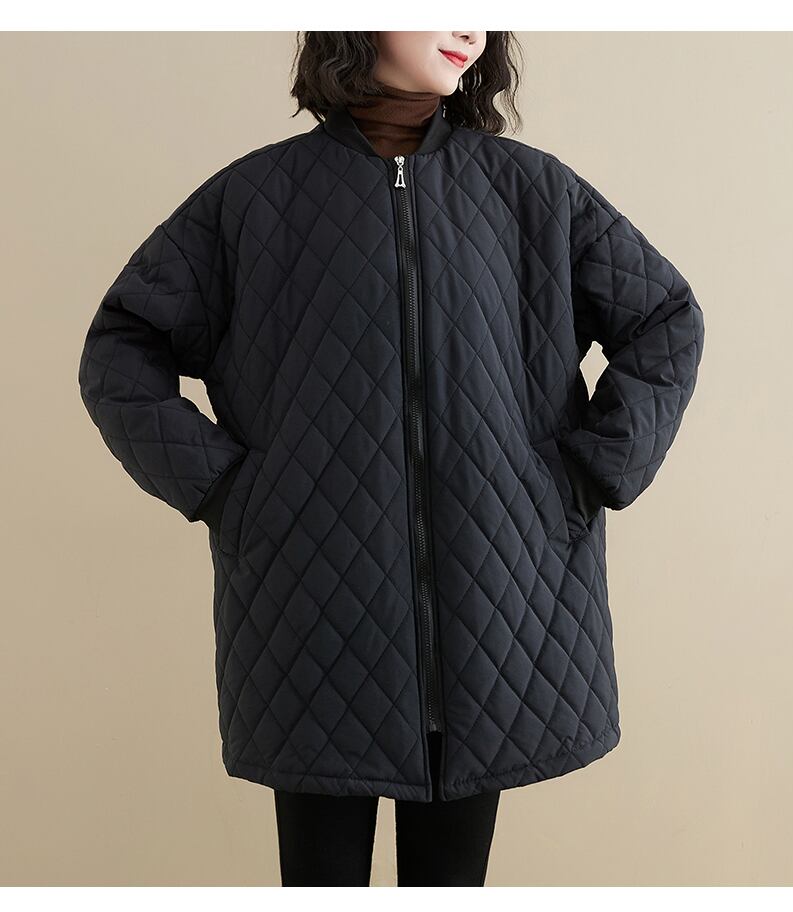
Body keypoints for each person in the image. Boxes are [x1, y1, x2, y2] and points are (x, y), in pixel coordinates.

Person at [77, 31, 705, 887]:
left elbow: (665, 319)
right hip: (309, 610)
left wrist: (588, 474)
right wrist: (224, 488)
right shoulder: (254, 199)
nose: (468, 27)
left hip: (496, 606)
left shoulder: (532, 192)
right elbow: (121, 349)